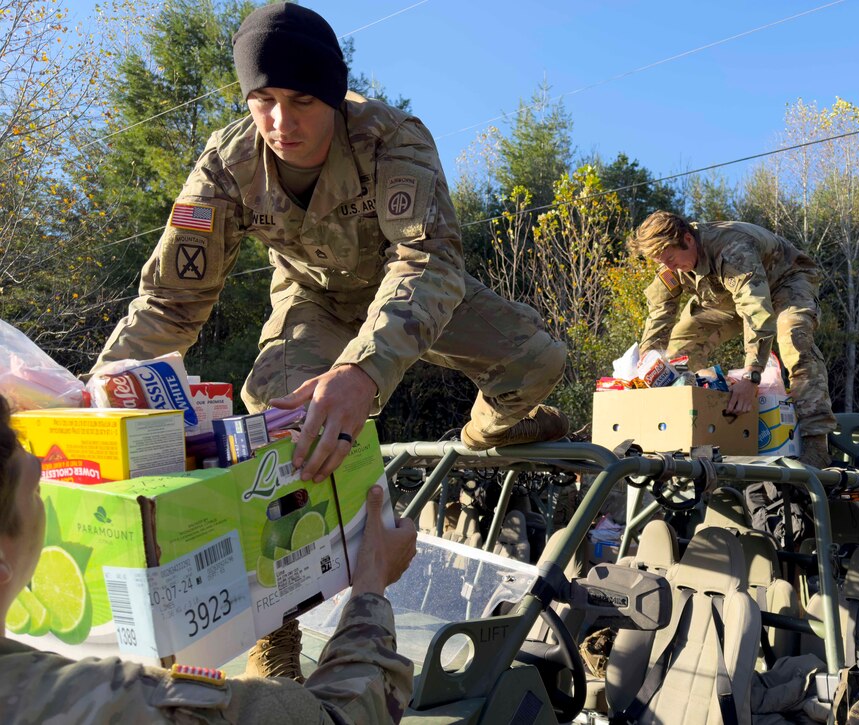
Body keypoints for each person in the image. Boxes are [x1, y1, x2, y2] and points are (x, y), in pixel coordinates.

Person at [92, 3, 567, 679]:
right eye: (263, 100)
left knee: (540, 360)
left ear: (334, 96)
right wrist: (97, 392)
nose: (280, 122)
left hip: (410, 292)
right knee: (281, 430)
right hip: (313, 303)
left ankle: (487, 431)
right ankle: (275, 632)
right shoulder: (227, 167)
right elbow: (171, 300)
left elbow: (428, 262)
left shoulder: (392, 138)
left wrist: (362, 374)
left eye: (301, 100)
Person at [0, 395, 418, 723]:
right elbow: (341, 719)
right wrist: (370, 588)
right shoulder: (111, 702)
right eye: (37, 487)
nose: (41, 462)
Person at [628, 211, 835, 468]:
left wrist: (751, 376)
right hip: (725, 298)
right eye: (662, 262)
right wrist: (646, 365)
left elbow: (755, 310)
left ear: (688, 239)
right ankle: (697, 429)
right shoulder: (671, 261)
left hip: (784, 282)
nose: (669, 267)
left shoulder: (733, 249)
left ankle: (815, 441)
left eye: (670, 258)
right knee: (678, 353)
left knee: (793, 336)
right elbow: (659, 315)